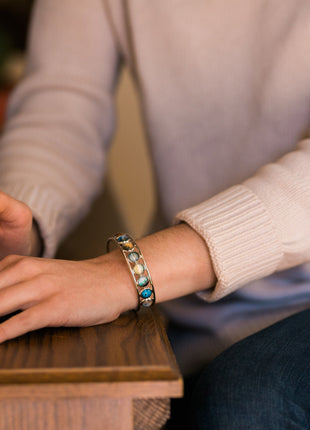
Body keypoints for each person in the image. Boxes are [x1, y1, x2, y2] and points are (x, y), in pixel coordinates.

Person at [0, 0, 310, 428]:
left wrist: (123, 274)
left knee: (246, 398)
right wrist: (24, 219)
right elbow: (62, 106)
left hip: (283, 312)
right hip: (183, 308)